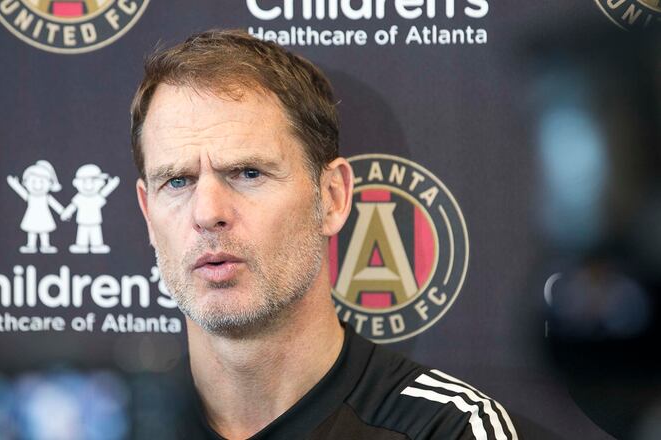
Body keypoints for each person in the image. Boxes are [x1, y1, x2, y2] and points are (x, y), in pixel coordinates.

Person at [130, 29, 517, 439]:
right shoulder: (91, 423)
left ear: (332, 197)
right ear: (148, 215)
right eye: (176, 181)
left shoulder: (449, 430)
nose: (208, 213)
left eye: (248, 173)